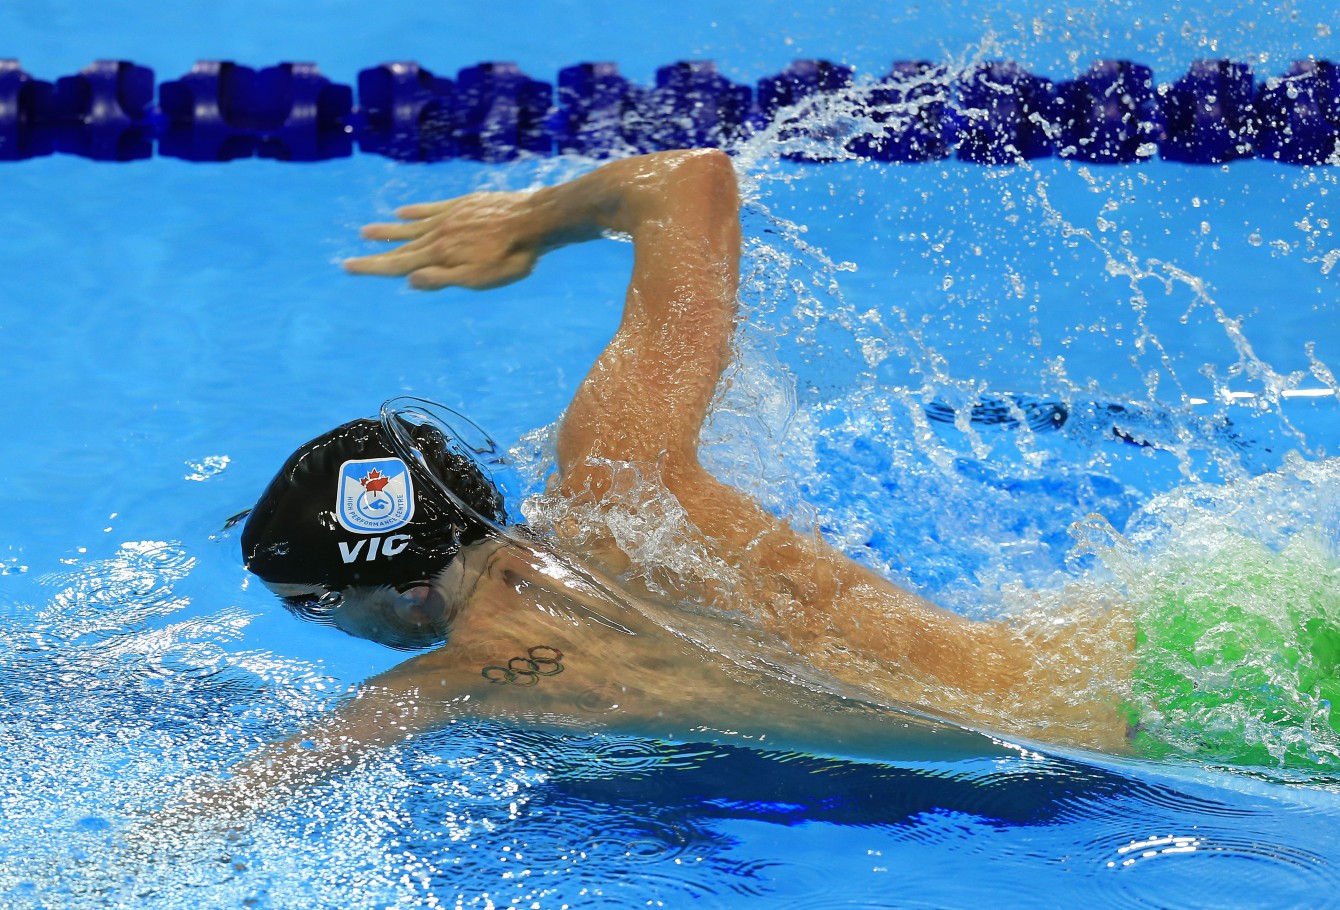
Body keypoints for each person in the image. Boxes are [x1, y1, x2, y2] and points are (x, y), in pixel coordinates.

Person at [225, 150, 1143, 817]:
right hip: (1146, 650)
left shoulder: (465, 677)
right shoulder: (619, 488)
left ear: (409, 589)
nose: (312, 622)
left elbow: (237, 800)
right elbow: (683, 180)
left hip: (1162, 756)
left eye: (312, 604)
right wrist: (528, 222)